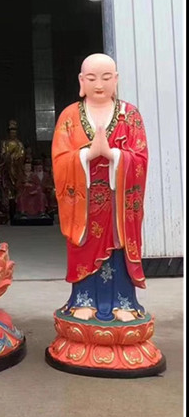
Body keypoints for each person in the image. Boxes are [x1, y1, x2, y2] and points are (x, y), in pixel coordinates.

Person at [52, 53, 147, 322]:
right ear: (81, 81)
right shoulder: (70, 116)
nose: (99, 84)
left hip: (118, 204)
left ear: (116, 80)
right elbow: (59, 159)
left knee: (119, 247)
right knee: (84, 246)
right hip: (84, 204)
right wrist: (87, 155)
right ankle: (83, 300)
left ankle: (123, 302)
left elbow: (141, 158)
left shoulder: (130, 115)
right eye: (92, 78)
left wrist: (115, 155)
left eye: (106, 78)